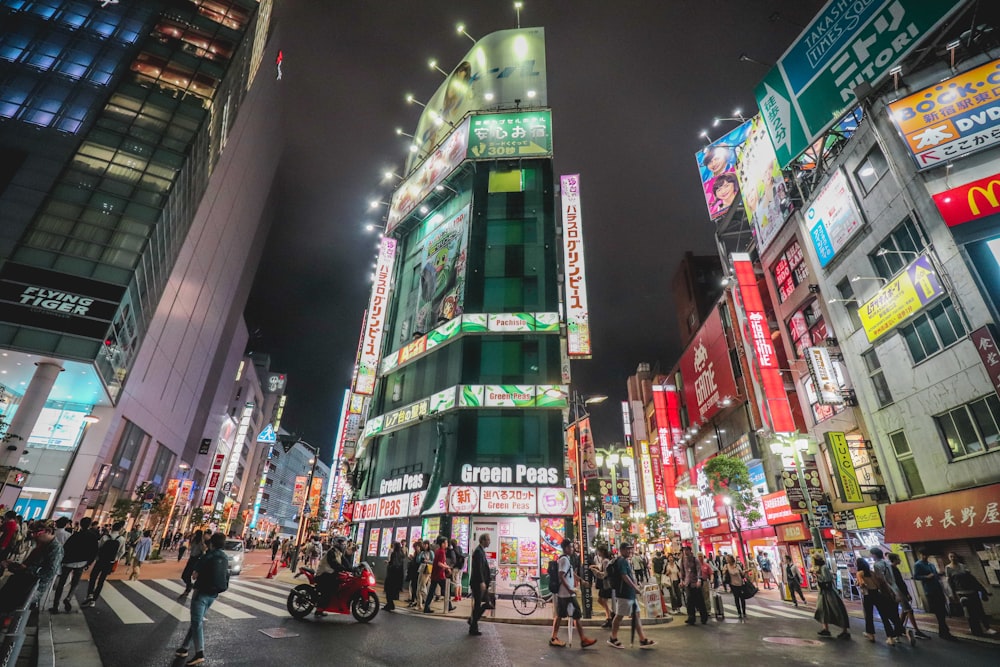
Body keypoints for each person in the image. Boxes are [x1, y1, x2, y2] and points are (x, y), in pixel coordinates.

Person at [174, 533, 229, 666]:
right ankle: (184, 648)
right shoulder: (225, 557)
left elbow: (194, 575)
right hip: (213, 594)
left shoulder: (207, 556)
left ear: (212, 543)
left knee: (197, 622)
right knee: (196, 621)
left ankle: (200, 653)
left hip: (201, 593)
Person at [0, 521, 63, 609]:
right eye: (33, 533)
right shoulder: (43, 545)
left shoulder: (55, 548)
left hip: (31, 587)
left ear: (48, 531)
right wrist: (13, 565)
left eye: (37, 533)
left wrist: (27, 569)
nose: (34, 536)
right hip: (23, 582)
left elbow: (49, 572)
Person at [548, 538, 597, 648]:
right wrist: (570, 589)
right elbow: (561, 575)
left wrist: (581, 581)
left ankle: (554, 637)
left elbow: (570, 573)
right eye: (570, 547)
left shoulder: (566, 559)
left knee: (560, 615)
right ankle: (583, 639)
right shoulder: (564, 559)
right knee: (577, 614)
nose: (572, 548)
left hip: (564, 594)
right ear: (565, 548)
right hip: (567, 594)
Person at [607, 542, 656, 649]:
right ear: (622, 550)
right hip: (624, 593)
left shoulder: (624, 560)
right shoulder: (622, 561)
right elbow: (624, 576)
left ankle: (642, 639)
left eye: (630, 549)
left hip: (629, 593)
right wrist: (635, 587)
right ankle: (613, 638)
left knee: (636, 615)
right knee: (619, 616)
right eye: (627, 549)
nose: (629, 551)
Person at [50, 516, 99, 614]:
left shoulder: (75, 535)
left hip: (68, 562)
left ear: (80, 524)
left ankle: (55, 605)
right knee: (75, 583)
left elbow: (66, 547)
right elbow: (94, 551)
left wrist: (63, 560)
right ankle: (68, 597)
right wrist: (89, 563)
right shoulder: (93, 536)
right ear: (89, 525)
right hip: (82, 562)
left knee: (61, 583)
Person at [946, 553, 995, 636]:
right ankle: (975, 629)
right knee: (970, 612)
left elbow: (972, 579)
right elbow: (950, 582)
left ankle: (987, 628)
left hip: (972, 591)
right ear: (949, 558)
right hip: (961, 592)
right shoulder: (948, 568)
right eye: (951, 556)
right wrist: (953, 594)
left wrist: (983, 590)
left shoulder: (963, 566)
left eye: (954, 556)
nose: (953, 558)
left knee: (979, 610)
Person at [912, 549, 956, 640]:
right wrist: (926, 577)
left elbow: (935, 574)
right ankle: (944, 632)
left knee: (942, 611)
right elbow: (915, 576)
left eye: (926, 555)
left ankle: (943, 631)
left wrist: (939, 575)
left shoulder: (930, 564)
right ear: (920, 555)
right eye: (923, 555)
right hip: (930, 590)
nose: (925, 557)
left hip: (938, 588)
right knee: (939, 611)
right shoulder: (918, 565)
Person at [856, 553, 900, 645]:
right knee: (884, 616)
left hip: (868, 595)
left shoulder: (859, 573)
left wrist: (861, 584)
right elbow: (880, 583)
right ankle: (890, 637)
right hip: (877, 593)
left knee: (869, 615)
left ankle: (870, 634)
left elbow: (861, 583)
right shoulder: (872, 573)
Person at [887, 552, 928, 643]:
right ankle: (917, 630)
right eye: (898, 558)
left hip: (900, 592)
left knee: (905, 611)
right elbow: (897, 583)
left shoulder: (894, 569)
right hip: (899, 592)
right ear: (894, 560)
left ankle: (898, 629)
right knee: (909, 610)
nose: (900, 560)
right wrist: (903, 593)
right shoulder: (892, 569)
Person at [81, 520, 124, 608]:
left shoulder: (105, 537)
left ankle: (90, 594)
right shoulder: (121, 539)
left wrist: (97, 558)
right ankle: (94, 600)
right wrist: (115, 559)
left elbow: (98, 548)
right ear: (120, 529)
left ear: (111, 528)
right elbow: (121, 552)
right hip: (109, 562)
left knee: (93, 576)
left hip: (100, 560)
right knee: (101, 580)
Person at [811, 554, 850, 639]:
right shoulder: (820, 568)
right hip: (823, 592)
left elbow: (827, 580)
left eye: (813, 559)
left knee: (837, 610)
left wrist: (817, 575)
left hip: (829, 592)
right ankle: (825, 629)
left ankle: (845, 631)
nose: (812, 561)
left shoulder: (824, 568)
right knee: (822, 610)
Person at [468, 532, 492, 636]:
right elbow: (478, 569)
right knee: (478, 605)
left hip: (482, 584)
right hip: (478, 583)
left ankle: (472, 620)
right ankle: (473, 626)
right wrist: (482, 582)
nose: (489, 541)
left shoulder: (481, 551)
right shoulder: (478, 551)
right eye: (487, 539)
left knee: (487, 604)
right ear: (482, 540)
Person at [423, 537, 454, 613]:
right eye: (446, 542)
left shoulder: (439, 551)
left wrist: (447, 567)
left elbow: (442, 562)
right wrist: (448, 567)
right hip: (439, 575)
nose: (447, 544)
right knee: (446, 590)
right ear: (442, 543)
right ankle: (449, 606)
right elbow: (440, 563)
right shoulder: (441, 552)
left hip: (435, 574)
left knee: (431, 591)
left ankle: (426, 607)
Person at [681, 545, 708, 625]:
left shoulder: (695, 559)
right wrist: (682, 580)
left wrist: (699, 580)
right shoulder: (683, 560)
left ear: (690, 551)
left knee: (699, 600)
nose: (685, 552)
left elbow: (699, 570)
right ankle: (691, 617)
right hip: (687, 582)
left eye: (687, 550)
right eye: (684, 551)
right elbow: (682, 571)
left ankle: (704, 617)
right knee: (689, 601)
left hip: (695, 583)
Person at [589, 544, 614, 628]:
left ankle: (609, 617)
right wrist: (595, 567)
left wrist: (595, 571)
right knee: (601, 600)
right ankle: (610, 614)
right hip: (604, 584)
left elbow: (605, 574)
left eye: (599, 551)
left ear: (602, 552)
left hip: (606, 584)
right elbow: (601, 568)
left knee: (603, 600)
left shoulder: (605, 561)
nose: (598, 553)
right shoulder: (603, 560)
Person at [180, 530, 205, 598]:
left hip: (195, 559)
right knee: (184, 575)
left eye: (195, 534)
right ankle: (189, 585)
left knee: (188, 574)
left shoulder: (201, 543)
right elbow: (190, 548)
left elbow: (203, 551)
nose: (194, 535)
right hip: (191, 558)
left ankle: (188, 588)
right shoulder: (193, 540)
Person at [724, 554, 748, 620]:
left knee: (742, 598)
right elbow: (724, 573)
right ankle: (739, 612)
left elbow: (742, 573)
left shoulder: (737, 565)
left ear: (731, 559)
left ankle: (744, 612)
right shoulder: (726, 566)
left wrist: (745, 572)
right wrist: (725, 571)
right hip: (733, 584)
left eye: (728, 558)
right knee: (736, 598)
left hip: (740, 583)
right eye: (727, 559)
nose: (727, 560)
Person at [383, 541, 405, 611]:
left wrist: (388, 564)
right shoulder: (401, 554)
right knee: (393, 590)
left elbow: (392, 563)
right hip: (398, 575)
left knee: (388, 590)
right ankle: (390, 604)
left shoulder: (394, 554)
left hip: (392, 575)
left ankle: (389, 604)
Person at [415, 540, 434, 609]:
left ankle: (428, 599)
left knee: (422, 586)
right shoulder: (422, 552)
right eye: (424, 544)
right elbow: (418, 560)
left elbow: (433, 561)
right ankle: (419, 604)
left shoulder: (431, 552)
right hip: (421, 569)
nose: (425, 546)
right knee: (418, 587)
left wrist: (427, 561)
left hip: (427, 570)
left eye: (426, 544)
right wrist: (419, 553)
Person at [448, 537, 465, 601]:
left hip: (456, 568)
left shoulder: (452, 551)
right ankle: (460, 596)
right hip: (461, 567)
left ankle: (456, 597)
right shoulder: (460, 548)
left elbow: (454, 560)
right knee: (460, 582)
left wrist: (451, 566)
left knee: (455, 582)